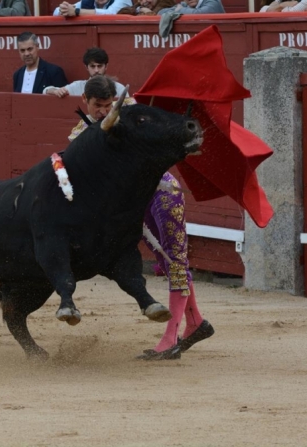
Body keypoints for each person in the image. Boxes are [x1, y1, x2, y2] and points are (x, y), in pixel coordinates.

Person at [67, 76, 214, 361]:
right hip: (133, 204)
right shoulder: (79, 134)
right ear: (85, 101)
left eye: (109, 105)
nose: (103, 112)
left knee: (175, 259)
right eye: (98, 106)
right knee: (165, 259)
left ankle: (171, 338)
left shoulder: (134, 114)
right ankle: (196, 323)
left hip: (161, 191)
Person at [44, 47, 127, 98]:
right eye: (92, 66)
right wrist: (54, 91)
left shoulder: (119, 89)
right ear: (86, 67)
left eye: (100, 66)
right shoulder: (77, 87)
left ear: (106, 66)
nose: (96, 70)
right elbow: (46, 90)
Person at [57, 0, 131, 16]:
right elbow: (56, 11)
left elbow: (110, 13)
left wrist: (77, 11)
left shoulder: (123, 0)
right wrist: (64, 9)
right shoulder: (88, 2)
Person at [158, 0, 225, 14]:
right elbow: (161, 12)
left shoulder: (213, 2)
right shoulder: (186, 4)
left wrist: (180, 9)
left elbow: (199, 14)